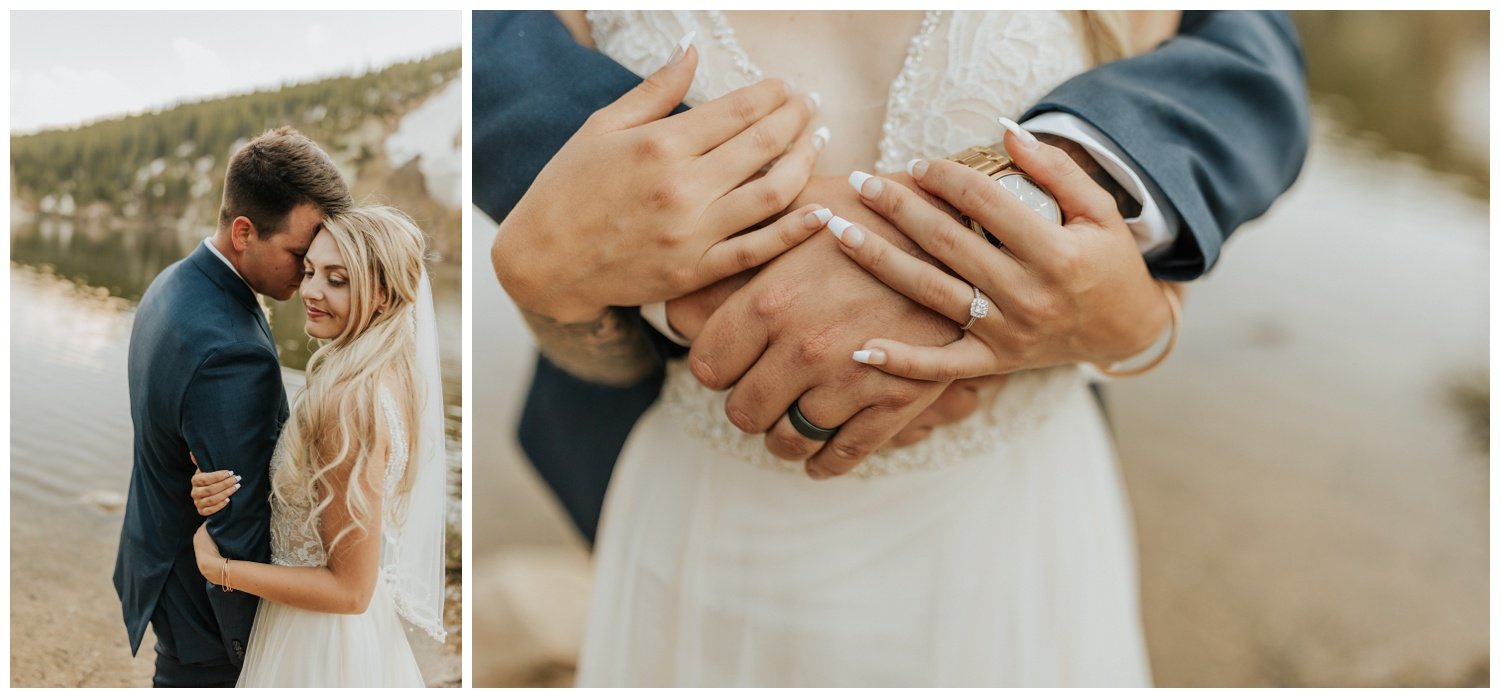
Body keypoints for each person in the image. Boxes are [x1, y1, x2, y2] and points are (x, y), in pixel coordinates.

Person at [489, 11, 1307, 686]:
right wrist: (590, 259)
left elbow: (1249, 62)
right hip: (703, 522)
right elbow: (496, 71)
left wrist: (1007, 215)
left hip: (1009, 528)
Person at [114, 127, 351, 687]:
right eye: (299, 254)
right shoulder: (230, 349)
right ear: (244, 232)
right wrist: (255, 648)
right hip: (206, 607)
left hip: (159, 559)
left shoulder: (173, 282)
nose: (308, 273)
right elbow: (238, 518)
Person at [186, 206, 448, 687]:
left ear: (384, 296)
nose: (309, 291)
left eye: (337, 279)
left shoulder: (349, 403)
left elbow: (349, 591)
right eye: (310, 271)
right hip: (347, 636)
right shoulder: (391, 373)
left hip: (314, 642)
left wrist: (218, 568)